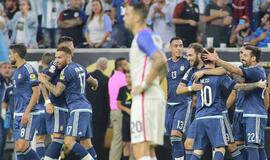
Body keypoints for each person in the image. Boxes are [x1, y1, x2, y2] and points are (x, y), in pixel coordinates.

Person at [190, 48, 266, 160]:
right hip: (217, 115)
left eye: (244, 54)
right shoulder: (221, 77)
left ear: (253, 58)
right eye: (241, 54)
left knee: (198, 150)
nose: (241, 56)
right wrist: (257, 84)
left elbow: (230, 70)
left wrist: (205, 70)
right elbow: (235, 83)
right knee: (228, 147)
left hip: (200, 116)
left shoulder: (197, 76)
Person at [124, 3, 168, 159]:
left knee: (139, 149)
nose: (124, 16)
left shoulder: (142, 35)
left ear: (136, 17)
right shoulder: (151, 35)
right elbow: (164, 62)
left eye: (127, 13)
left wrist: (143, 85)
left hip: (145, 97)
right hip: (154, 96)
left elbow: (159, 61)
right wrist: (154, 82)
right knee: (149, 151)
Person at [39, 46, 98, 159]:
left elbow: (57, 92)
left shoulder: (66, 71)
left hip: (77, 109)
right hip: (85, 108)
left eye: (60, 57)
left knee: (68, 142)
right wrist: (94, 86)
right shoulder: (81, 67)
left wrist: (45, 81)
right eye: (56, 57)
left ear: (68, 56)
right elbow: (94, 82)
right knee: (85, 142)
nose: (56, 60)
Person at [38, 36, 73, 160]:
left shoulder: (70, 63)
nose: (72, 49)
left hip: (69, 106)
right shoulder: (55, 64)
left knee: (68, 141)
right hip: (58, 106)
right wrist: (47, 102)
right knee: (58, 138)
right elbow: (43, 80)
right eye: (69, 46)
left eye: (72, 46)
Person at [9, 43, 40, 160]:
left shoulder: (29, 69)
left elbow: (36, 92)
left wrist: (26, 112)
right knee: (18, 147)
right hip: (18, 113)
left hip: (28, 113)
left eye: (10, 54)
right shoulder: (16, 71)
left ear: (16, 55)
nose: (9, 57)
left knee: (22, 146)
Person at [165, 37, 190, 160]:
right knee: (172, 140)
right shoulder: (166, 64)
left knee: (176, 136)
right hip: (169, 105)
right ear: (170, 48)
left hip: (183, 103)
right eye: (176, 46)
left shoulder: (187, 62)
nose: (179, 48)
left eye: (181, 45)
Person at [85, 57, 110, 160]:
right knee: (99, 141)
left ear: (96, 65)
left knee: (86, 140)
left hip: (86, 114)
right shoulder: (106, 79)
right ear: (105, 67)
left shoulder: (86, 77)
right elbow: (107, 100)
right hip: (101, 116)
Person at [108, 57, 129, 160]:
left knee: (118, 139)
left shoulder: (112, 77)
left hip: (114, 111)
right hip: (119, 111)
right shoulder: (123, 78)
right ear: (120, 67)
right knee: (119, 140)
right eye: (125, 64)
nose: (128, 66)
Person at [34, 53, 54, 159]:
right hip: (54, 109)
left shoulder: (38, 76)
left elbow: (34, 94)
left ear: (41, 62)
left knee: (40, 138)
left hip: (41, 109)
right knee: (55, 138)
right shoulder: (56, 75)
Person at [117, 71, 132, 160]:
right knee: (125, 142)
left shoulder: (138, 89)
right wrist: (127, 110)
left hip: (137, 119)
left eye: (130, 76)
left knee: (136, 143)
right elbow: (118, 104)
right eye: (126, 77)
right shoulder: (122, 89)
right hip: (126, 118)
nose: (128, 78)